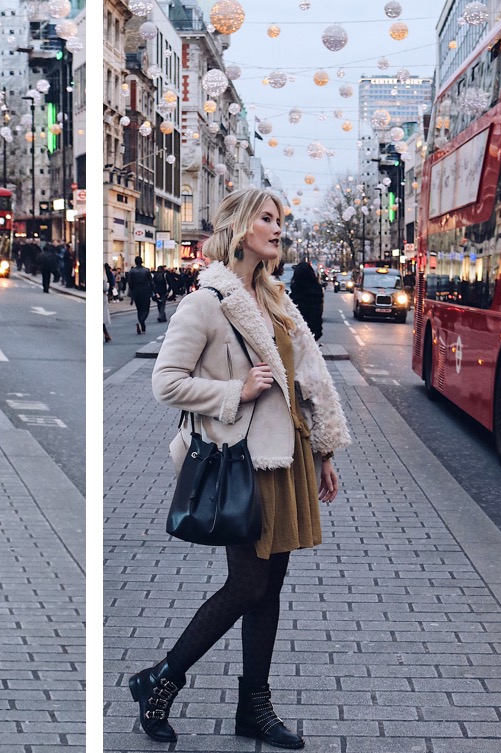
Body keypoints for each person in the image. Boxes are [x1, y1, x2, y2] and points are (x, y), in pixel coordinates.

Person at [132, 187, 350, 749]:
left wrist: (323, 450)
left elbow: (308, 380)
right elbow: (166, 382)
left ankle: (253, 706)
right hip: (244, 462)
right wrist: (235, 390)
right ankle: (163, 678)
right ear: (238, 225)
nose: (278, 229)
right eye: (267, 218)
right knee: (247, 583)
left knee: (270, 587)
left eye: (281, 220)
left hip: (289, 456)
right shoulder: (206, 301)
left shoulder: (274, 298)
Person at [288, 261, 324, 340]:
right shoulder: (316, 288)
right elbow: (318, 309)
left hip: (299, 327)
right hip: (314, 326)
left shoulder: (297, 288)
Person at [127, 255, 153, 334]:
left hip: (136, 292)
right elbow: (151, 282)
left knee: (139, 309)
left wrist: (132, 292)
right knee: (146, 309)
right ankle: (142, 321)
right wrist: (153, 291)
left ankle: (142, 324)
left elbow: (130, 283)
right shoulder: (146, 270)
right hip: (145, 291)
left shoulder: (132, 271)